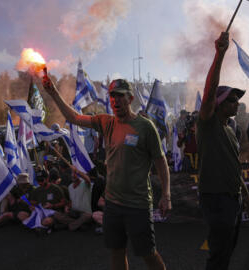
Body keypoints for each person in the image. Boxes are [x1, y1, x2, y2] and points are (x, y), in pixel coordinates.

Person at [43, 75, 171, 270]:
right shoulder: (106, 122)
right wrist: (53, 92)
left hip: (137, 204)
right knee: (117, 251)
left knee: (147, 252)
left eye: (120, 96)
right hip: (112, 204)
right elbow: (74, 118)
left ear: (130, 99)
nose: (115, 100)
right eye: (112, 96)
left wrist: (166, 195)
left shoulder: (145, 127)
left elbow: (161, 162)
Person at [197, 32, 249, 270]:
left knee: (228, 249)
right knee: (218, 253)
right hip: (216, 199)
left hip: (233, 198)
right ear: (218, 104)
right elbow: (209, 91)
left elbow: (233, 165)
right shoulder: (208, 124)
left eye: (237, 99)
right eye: (231, 99)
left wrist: (246, 194)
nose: (236, 103)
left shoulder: (230, 129)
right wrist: (219, 55)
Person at [53, 166, 93, 231]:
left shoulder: (85, 183)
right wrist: (67, 206)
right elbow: (71, 201)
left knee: (88, 216)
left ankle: (70, 225)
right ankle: (78, 224)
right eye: (72, 173)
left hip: (84, 213)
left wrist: (78, 172)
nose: (73, 175)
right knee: (56, 214)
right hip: (74, 213)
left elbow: (88, 179)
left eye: (75, 174)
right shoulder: (70, 187)